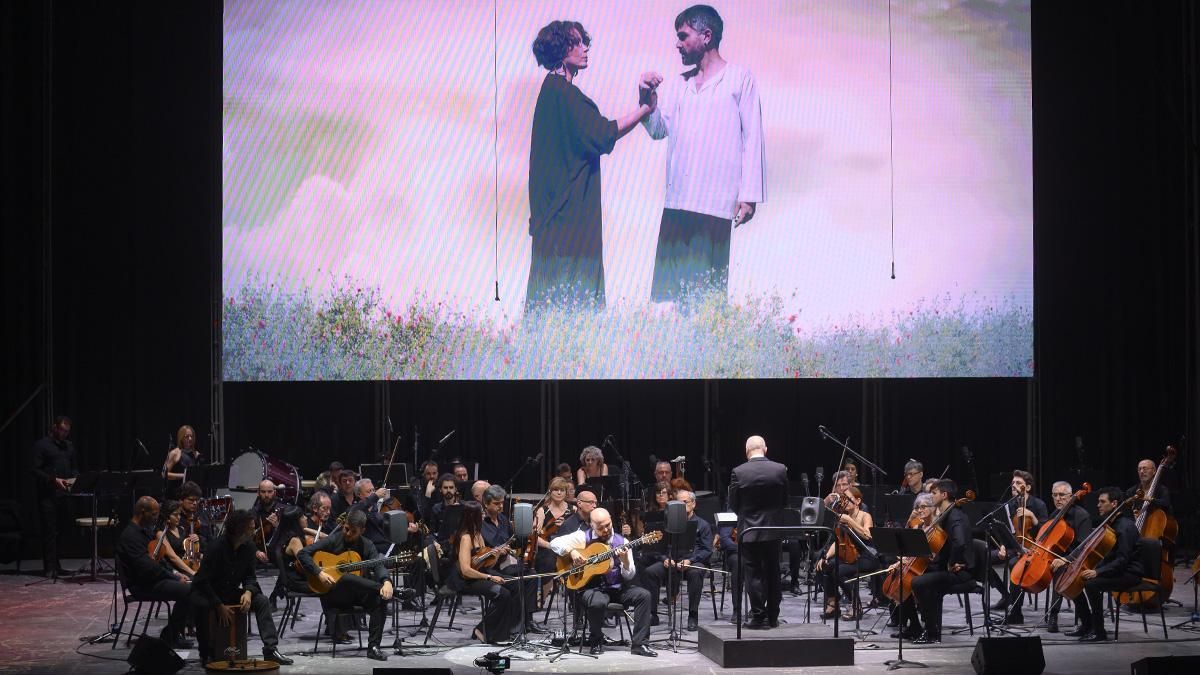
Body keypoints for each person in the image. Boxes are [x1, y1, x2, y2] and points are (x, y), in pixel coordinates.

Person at [638, 5, 766, 303]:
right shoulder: (680, 84)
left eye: (683, 36)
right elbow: (658, 130)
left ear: (706, 36)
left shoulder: (740, 79)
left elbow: (753, 138)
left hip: (713, 205)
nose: (677, 43)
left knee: (706, 302)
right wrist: (647, 100)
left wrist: (748, 195)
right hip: (677, 203)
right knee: (669, 300)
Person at [526, 19, 656, 311]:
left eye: (584, 41)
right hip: (569, 216)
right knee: (574, 298)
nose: (584, 48)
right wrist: (645, 109)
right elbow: (604, 134)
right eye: (576, 42)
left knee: (553, 299)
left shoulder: (552, 92)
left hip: (554, 216)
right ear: (561, 49)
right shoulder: (564, 94)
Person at [550, 507, 657, 656]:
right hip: (591, 589)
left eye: (608, 525)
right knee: (597, 601)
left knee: (644, 595)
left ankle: (640, 644)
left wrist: (625, 561)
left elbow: (629, 575)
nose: (606, 530)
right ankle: (596, 641)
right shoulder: (582, 537)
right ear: (592, 525)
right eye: (600, 527)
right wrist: (572, 552)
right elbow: (554, 543)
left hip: (617, 588)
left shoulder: (623, 541)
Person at [190, 509, 292, 665]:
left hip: (228, 591)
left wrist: (249, 592)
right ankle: (206, 653)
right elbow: (202, 581)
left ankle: (270, 650)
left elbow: (250, 576)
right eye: (251, 528)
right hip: (207, 592)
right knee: (202, 606)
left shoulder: (249, 547)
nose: (254, 531)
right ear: (239, 530)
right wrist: (218, 605)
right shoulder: (216, 547)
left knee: (262, 601)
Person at [297, 509, 393, 660]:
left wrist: (386, 581)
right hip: (334, 595)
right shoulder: (334, 540)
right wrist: (319, 573)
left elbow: (378, 565)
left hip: (357, 596)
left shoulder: (367, 545)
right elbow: (303, 554)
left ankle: (373, 647)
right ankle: (396, 591)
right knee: (347, 578)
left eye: (353, 531)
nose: (347, 533)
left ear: (362, 530)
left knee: (380, 600)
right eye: (346, 528)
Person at [1063, 487, 1142, 642]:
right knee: (1075, 578)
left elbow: (1122, 560)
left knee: (1091, 584)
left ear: (1114, 503)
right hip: (1117, 570)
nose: (1098, 505)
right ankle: (1087, 625)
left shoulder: (1124, 526)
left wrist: (1098, 572)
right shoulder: (1110, 523)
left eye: (1102, 502)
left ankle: (1099, 631)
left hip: (1129, 573)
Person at [117, 497, 194, 649]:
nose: (156, 519)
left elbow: (158, 560)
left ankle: (172, 634)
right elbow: (147, 567)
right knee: (189, 591)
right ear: (142, 512)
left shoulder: (143, 531)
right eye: (153, 515)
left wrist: (175, 573)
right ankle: (170, 634)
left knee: (193, 587)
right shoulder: (130, 536)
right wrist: (174, 577)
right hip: (142, 585)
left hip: (152, 579)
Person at [729, 435, 788, 629]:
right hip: (774, 530)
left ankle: (758, 617)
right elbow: (785, 501)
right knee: (773, 572)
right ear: (765, 449)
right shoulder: (780, 470)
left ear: (747, 452)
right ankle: (773, 617)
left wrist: (746, 516)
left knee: (753, 575)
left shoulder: (738, 472)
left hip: (749, 531)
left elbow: (734, 504)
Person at [447, 502, 524, 644]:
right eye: (481, 513)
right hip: (466, 580)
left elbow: (486, 564)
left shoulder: (478, 534)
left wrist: (494, 555)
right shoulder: (465, 538)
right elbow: (466, 570)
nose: (484, 515)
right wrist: (490, 577)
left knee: (516, 585)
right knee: (503, 594)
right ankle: (482, 629)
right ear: (473, 516)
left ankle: (507, 630)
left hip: (480, 573)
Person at [910, 479, 974, 644]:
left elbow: (960, 543)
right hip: (948, 568)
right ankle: (923, 628)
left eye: (934, 493)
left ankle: (931, 631)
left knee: (918, 583)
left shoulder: (956, 517)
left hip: (962, 572)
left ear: (944, 495)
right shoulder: (946, 515)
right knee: (917, 578)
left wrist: (951, 563)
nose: (931, 496)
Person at [640, 489, 712, 631]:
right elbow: (659, 546)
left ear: (693, 504)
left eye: (685, 503)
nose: (681, 506)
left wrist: (690, 560)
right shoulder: (668, 523)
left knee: (696, 573)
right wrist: (665, 558)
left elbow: (707, 550)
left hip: (691, 562)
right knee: (650, 572)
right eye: (678, 503)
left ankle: (693, 615)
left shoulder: (703, 525)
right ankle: (652, 614)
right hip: (672, 562)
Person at [480, 485, 541, 633]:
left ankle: (528, 620)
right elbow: (486, 547)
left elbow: (514, 542)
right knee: (519, 581)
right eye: (496, 503)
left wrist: (524, 531)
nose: (501, 506)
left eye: (502, 503)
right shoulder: (480, 523)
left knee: (532, 575)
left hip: (507, 563)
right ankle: (514, 625)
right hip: (491, 566)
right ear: (486, 504)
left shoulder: (503, 519)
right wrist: (499, 550)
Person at [990, 469, 1049, 620]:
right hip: (1012, 547)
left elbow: (1046, 531)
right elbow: (1004, 530)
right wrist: (1002, 545)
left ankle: (1016, 612)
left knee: (1015, 564)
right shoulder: (1008, 505)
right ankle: (1006, 595)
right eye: (1013, 483)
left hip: (1033, 550)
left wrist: (1033, 517)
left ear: (1027, 487)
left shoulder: (1038, 505)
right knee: (984, 557)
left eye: (1018, 483)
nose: (1014, 486)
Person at [814, 486, 877, 620]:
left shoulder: (865, 516)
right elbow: (837, 541)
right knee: (825, 566)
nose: (845, 502)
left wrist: (850, 521)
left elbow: (868, 535)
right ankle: (832, 604)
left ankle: (855, 605)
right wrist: (825, 556)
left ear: (858, 501)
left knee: (839, 571)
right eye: (844, 499)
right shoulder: (843, 516)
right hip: (850, 556)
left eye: (849, 499)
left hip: (867, 556)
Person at [1040, 481, 1093, 633]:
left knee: (1060, 572)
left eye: (1062, 495)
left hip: (1080, 560)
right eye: (1055, 495)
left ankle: (1053, 615)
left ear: (1071, 496)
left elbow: (1084, 546)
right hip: (1060, 558)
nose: (1058, 498)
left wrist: (1066, 559)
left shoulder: (1081, 516)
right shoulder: (1055, 515)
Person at [883, 492, 936, 640]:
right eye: (917, 507)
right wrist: (900, 561)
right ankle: (913, 625)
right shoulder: (918, 526)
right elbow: (908, 549)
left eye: (923, 507)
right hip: (918, 565)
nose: (919, 510)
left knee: (912, 583)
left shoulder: (936, 529)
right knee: (901, 583)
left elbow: (936, 554)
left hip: (932, 566)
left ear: (933, 508)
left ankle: (927, 627)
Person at [31, 415, 77, 577]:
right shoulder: (42, 445)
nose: (65, 434)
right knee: (50, 531)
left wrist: (74, 479)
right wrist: (52, 480)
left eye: (67, 432)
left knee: (62, 531)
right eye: (62, 430)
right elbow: (35, 470)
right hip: (48, 495)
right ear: (55, 428)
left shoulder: (69, 446)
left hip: (64, 495)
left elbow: (73, 468)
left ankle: (57, 564)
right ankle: (49, 567)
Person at [155, 499, 198, 579]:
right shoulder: (161, 533)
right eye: (175, 515)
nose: (178, 517)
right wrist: (192, 572)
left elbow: (190, 552)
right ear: (167, 516)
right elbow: (173, 557)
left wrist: (195, 540)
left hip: (187, 566)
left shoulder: (181, 529)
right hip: (176, 571)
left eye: (179, 514)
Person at [162, 425, 201, 498]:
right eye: (187, 436)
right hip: (176, 495)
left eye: (191, 436)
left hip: (191, 495)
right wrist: (184, 476)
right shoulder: (175, 453)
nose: (190, 439)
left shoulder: (196, 454)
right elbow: (164, 474)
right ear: (181, 438)